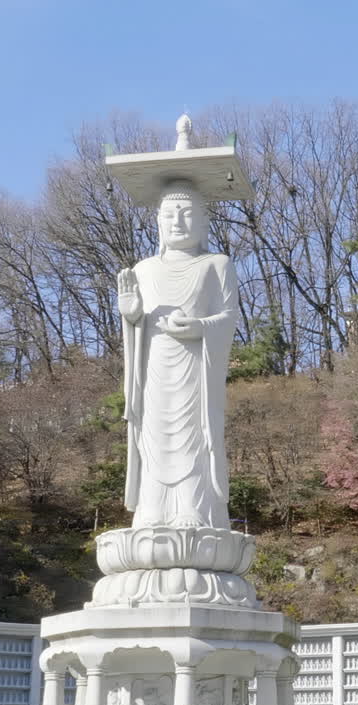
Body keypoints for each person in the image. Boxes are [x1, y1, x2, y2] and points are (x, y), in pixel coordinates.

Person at [117, 179, 238, 529]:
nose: (177, 222)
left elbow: (229, 317)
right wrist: (131, 316)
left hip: (196, 367)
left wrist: (201, 327)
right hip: (154, 368)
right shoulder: (144, 269)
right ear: (158, 221)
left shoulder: (217, 264)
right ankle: (153, 507)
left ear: (203, 221)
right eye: (169, 215)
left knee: (194, 434)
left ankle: (193, 506)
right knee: (153, 435)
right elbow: (138, 323)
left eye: (186, 214)